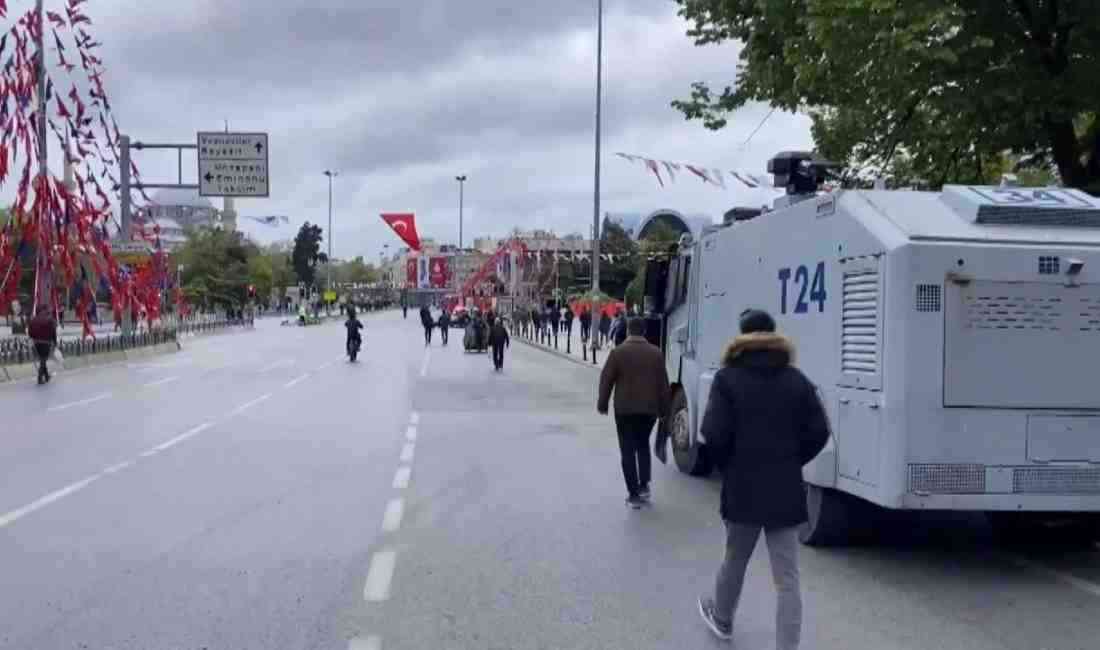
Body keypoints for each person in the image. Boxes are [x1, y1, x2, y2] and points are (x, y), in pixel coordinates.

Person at [696, 309, 829, 649]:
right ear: (774, 336)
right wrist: (791, 461)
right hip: (785, 488)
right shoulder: (796, 379)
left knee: (735, 558)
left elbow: (713, 434)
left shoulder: (727, 379)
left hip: (742, 487)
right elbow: (819, 432)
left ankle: (722, 619)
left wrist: (731, 466)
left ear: (742, 337)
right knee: (787, 577)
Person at [596, 317, 671, 509]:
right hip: (649, 411)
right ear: (644, 331)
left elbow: (606, 380)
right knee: (643, 444)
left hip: (624, 410)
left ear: (628, 330)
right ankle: (644, 485)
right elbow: (663, 384)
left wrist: (602, 404)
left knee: (627, 450)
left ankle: (633, 494)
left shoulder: (618, 352)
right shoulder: (656, 354)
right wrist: (665, 410)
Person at [28, 306, 59, 385]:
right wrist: (55, 342)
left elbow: (30, 332)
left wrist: (33, 338)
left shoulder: (33, 320)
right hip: (46, 342)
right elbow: (53, 332)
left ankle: (47, 376)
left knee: (42, 359)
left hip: (36, 342)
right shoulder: (50, 320)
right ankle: (39, 377)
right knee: (43, 359)